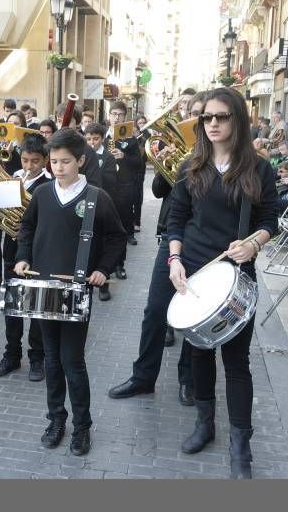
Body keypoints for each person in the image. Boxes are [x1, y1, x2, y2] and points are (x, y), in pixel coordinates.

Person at [167, 87, 277, 479]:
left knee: (236, 363)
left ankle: (240, 445)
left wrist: (253, 243)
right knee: (198, 355)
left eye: (221, 117)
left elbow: (270, 221)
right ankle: (204, 423)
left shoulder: (258, 169)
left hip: (234, 276)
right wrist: (174, 260)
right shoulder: (191, 166)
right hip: (195, 273)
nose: (212, 123)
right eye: (207, 118)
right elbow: (175, 219)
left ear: (238, 120)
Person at [14, 129, 126, 456]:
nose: (59, 167)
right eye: (54, 161)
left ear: (80, 160)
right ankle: (56, 419)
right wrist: (23, 257)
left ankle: (82, 426)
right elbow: (28, 227)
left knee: (72, 361)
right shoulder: (43, 194)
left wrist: (103, 269)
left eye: (66, 161)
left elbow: (116, 238)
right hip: (43, 288)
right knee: (51, 359)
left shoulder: (96, 197)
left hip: (76, 290)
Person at [107, 91, 209, 407]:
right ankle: (143, 377)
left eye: (200, 115)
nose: (195, 120)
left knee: (194, 315)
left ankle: (187, 379)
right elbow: (157, 188)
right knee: (154, 310)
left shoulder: (216, 157)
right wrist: (173, 161)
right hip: (172, 234)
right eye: (191, 114)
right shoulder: (179, 151)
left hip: (204, 241)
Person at [0, 133, 51, 381]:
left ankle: (37, 358)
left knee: (36, 307)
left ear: (45, 160)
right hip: (11, 250)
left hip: (38, 253)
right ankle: (12, 355)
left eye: (35, 161)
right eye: (25, 160)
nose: (28, 166)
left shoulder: (48, 185)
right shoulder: (13, 179)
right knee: (13, 307)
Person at [84, 122, 117, 302]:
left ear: (102, 139)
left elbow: (111, 181)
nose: (92, 142)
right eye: (88, 139)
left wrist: (95, 169)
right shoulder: (82, 156)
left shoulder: (108, 157)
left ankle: (104, 284)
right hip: (87, 203)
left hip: (103, 202)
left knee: (103, 244)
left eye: (95, 139)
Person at [107, 100, 140, 270]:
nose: (117, 117)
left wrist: (124, 157)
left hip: (123, 190)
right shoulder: (100, 136)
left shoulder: (131, 140)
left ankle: (120, 265)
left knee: (121, 230)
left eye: (120, 115)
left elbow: (139, 163)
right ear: (108, 115)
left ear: (125, 117)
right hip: (105, 189)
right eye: (114, 114)